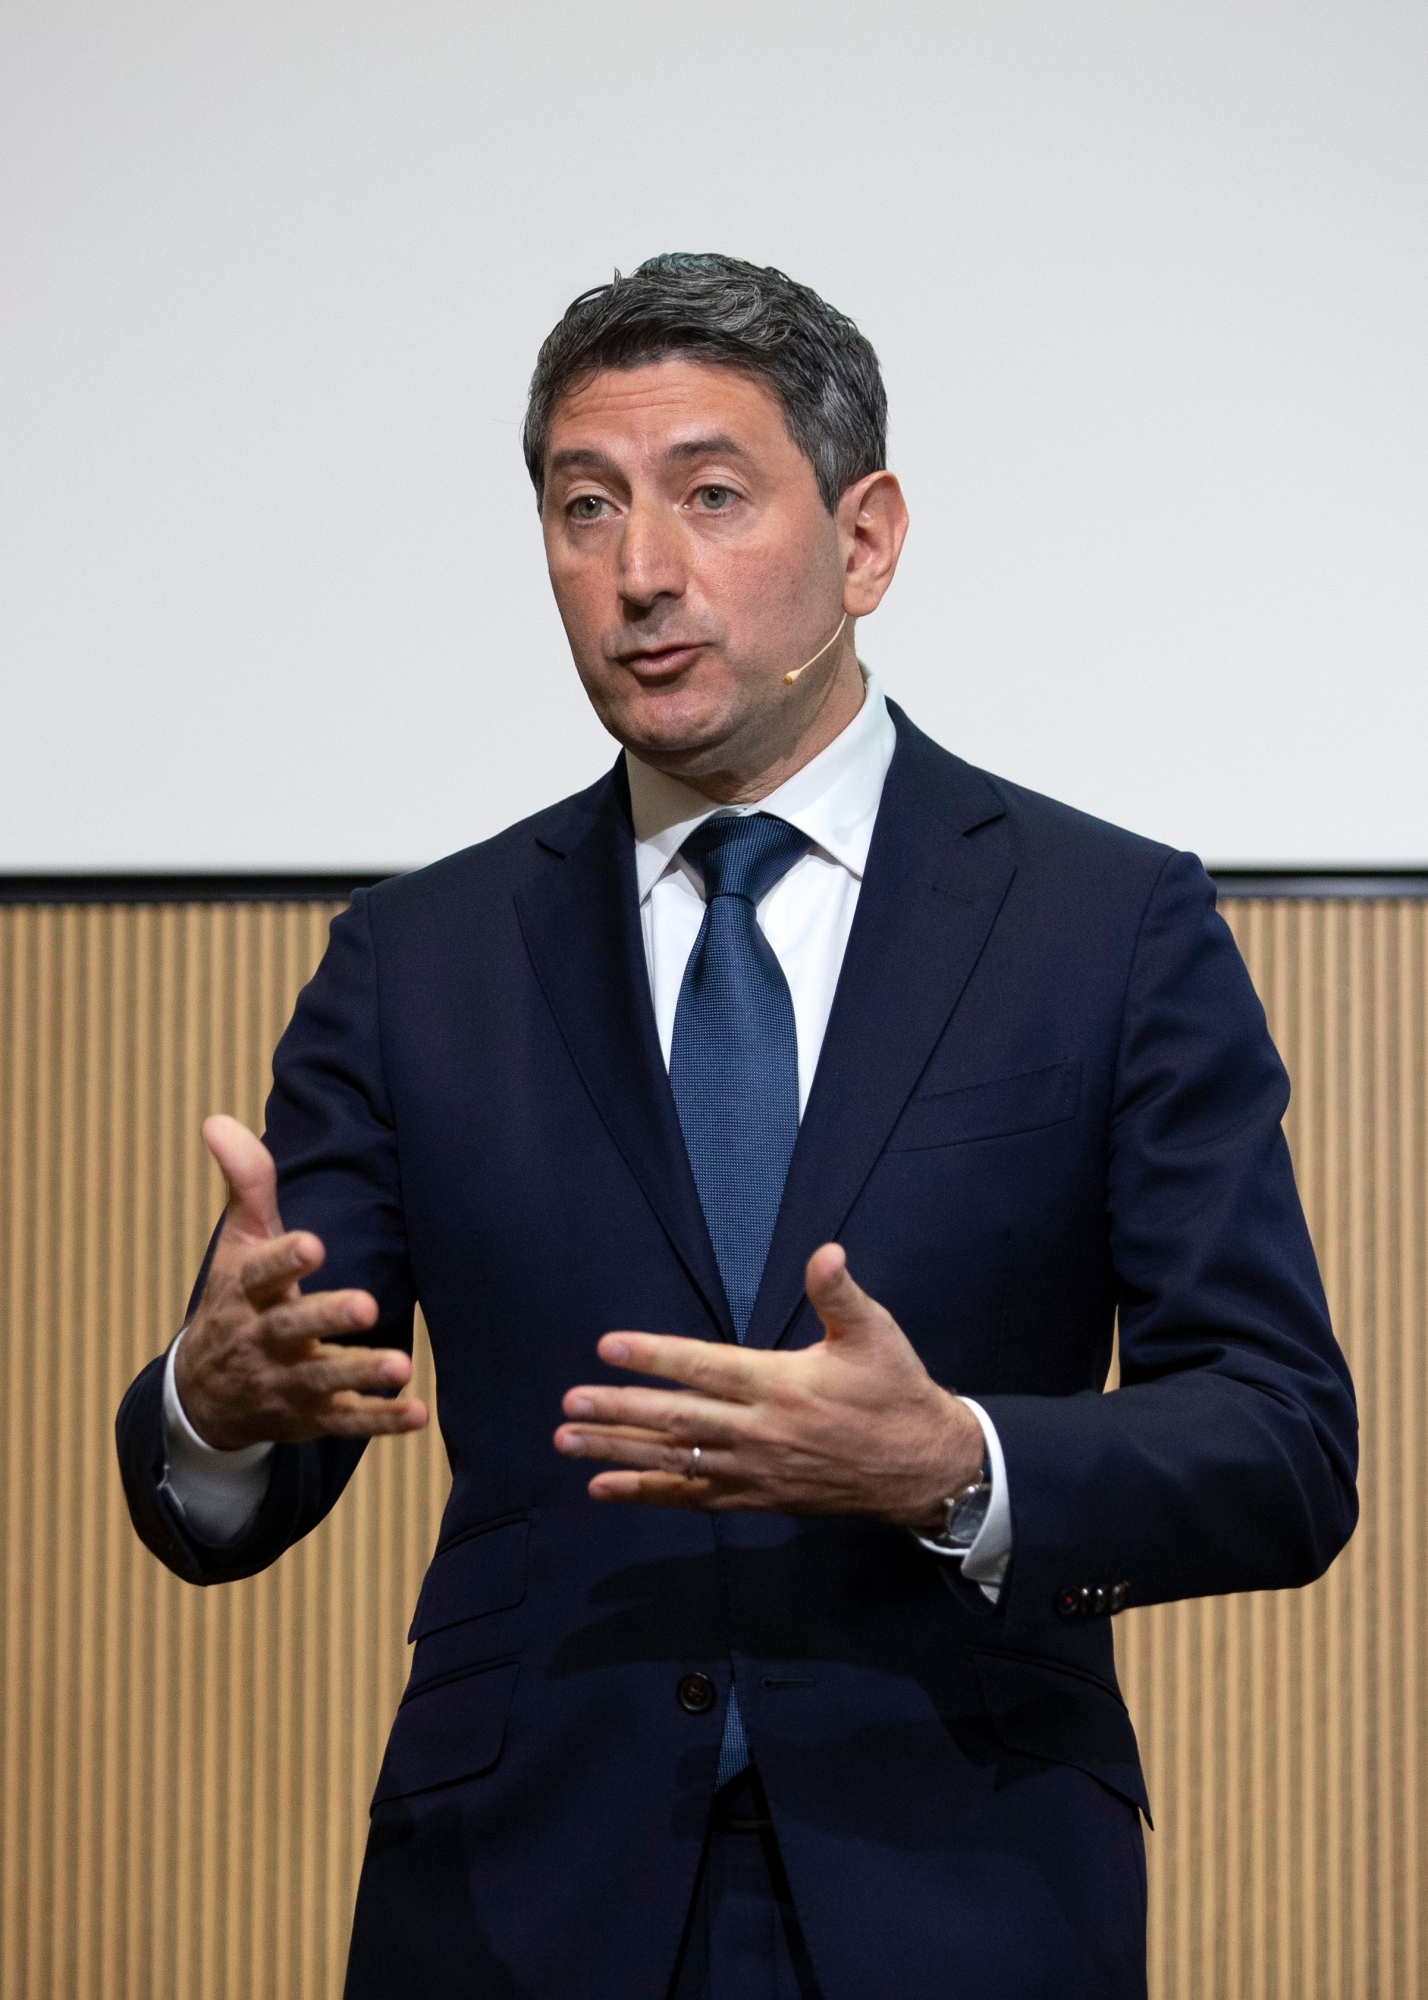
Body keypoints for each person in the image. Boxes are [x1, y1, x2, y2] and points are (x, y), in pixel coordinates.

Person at [116, 253, 1357, 2000]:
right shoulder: (418, 962)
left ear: (866, 541)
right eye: (583, 506)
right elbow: (237, 1467)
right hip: (518, 1897)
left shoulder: (1107, 924)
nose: (639, 572)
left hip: (965, 1878)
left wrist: (955, 1464)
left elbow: (1283, 1443)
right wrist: (216, 1404)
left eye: (711, 496)